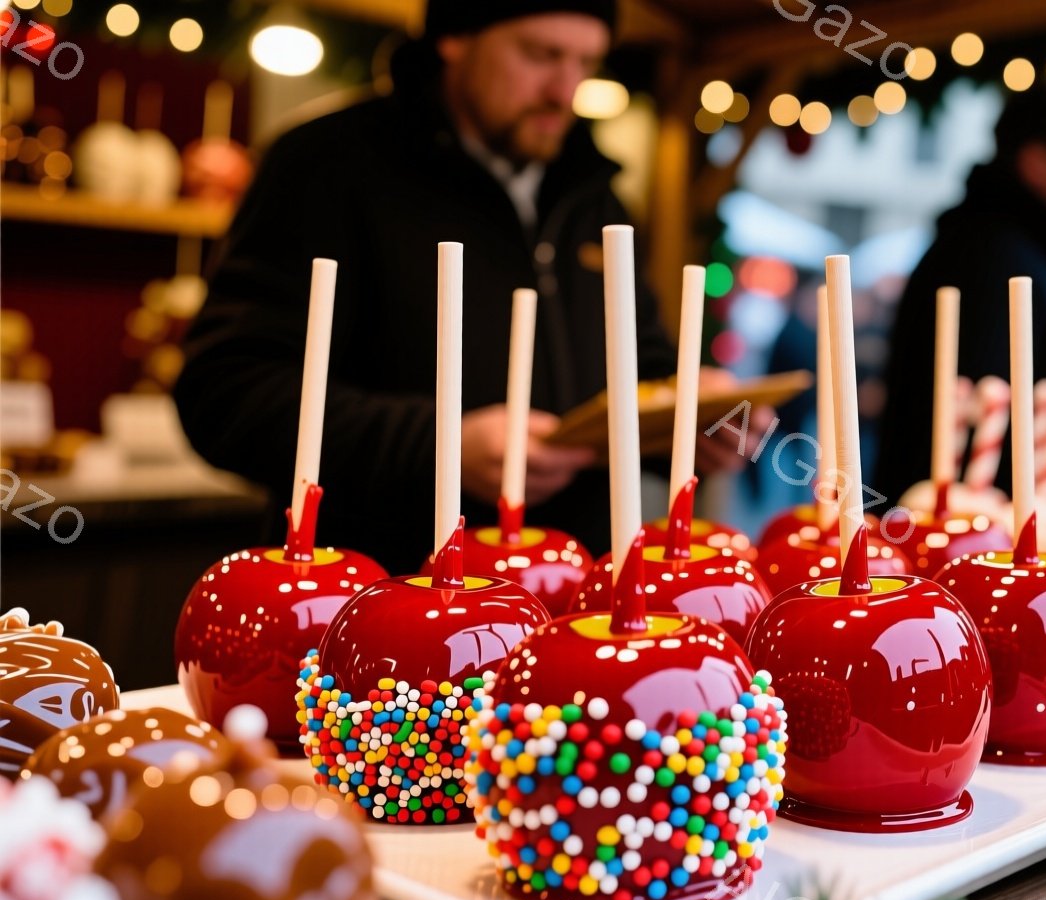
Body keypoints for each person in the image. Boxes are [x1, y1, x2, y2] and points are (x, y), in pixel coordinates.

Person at [174, 0, 751, 572]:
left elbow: (637, 367)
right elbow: (225, 394)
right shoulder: (326, 165)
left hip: (568, 602)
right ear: (454, 39)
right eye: (541, 54)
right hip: (372, 604)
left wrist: (690, 422)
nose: (564, 89)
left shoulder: (595, 199)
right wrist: (438, 444)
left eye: (586, 62)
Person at [874, 84, 1046, 504]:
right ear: (1036, 163)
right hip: (984, 546)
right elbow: (967, 435)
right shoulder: (988, 260)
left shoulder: (1039, 254)